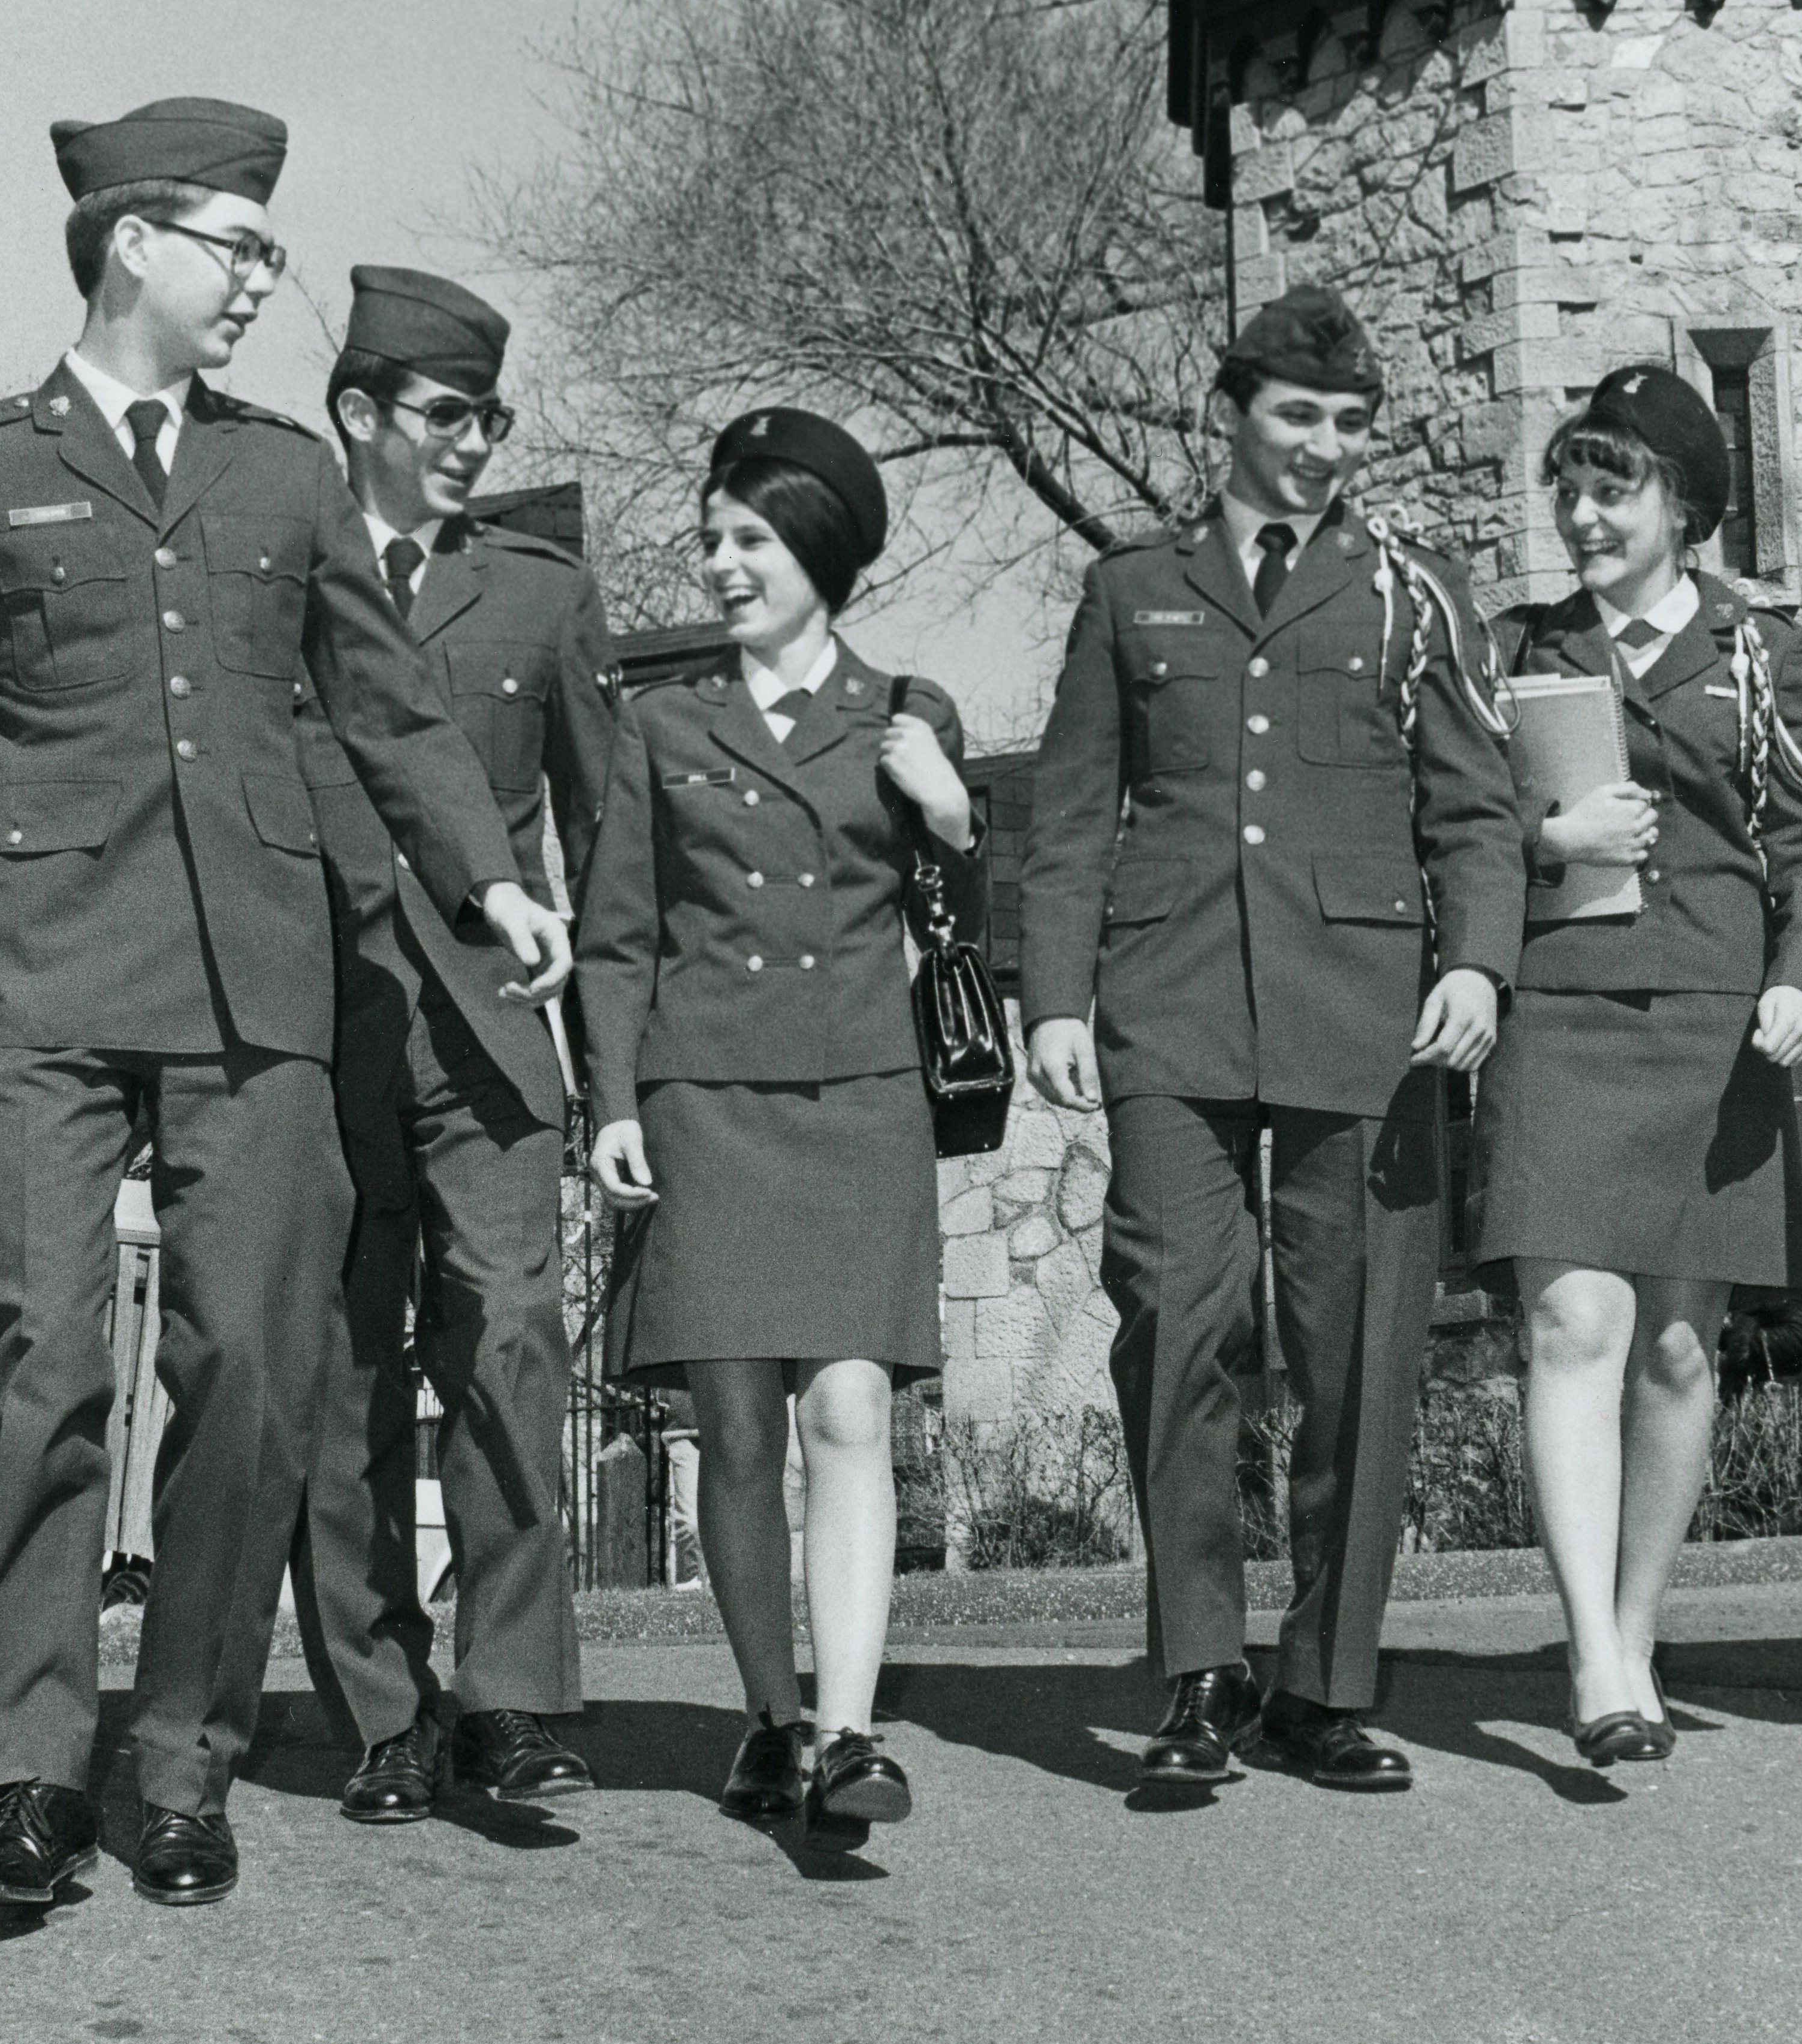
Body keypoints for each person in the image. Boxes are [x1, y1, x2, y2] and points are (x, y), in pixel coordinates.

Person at [0, 98, 570, 1914]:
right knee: (42, 1373)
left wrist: (490, 879)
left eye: (271, 247)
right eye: (237, 244)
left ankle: (181, 1762)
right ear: (130, 246)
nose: (267, 277)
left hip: (258, 982)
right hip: (36, 976)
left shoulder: (283, 481)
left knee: (252, 1377)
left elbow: (391, 711)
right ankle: (23, 1777)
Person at [1020, 287, 1525, 1798]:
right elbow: (1069, 815)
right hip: (1167, 1004)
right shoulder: (1132, 592)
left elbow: (1476, 810)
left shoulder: (1409, 592)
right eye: (1296, 417)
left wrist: (1482, 965)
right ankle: (1197, 1671)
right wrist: (1053, 997)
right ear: (1229, 412)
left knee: (1360, 1347)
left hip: (1364, 1016)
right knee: (1176, 1324)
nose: (1322, 449)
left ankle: (1327, 1682)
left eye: (1349, 425)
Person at [575, 408, 978, 1844]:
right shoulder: (660, 725)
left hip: (860, 1100)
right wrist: (612, 1105)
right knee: (736, 1431)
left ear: (818, 547)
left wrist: (954, 819)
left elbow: (966, 941)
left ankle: (856, 1730)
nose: (723, 564)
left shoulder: (910, 716)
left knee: (850, 1408)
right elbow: (618, 940)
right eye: (713, 539)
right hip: (705, 1100)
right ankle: (769, 1714)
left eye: (749, 539)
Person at [1472, 366, 1802, 1766]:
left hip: (1713, 1022)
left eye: (1611, 488)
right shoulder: (1512, 645)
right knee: (1573, 1325)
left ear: (1684, 505)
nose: (1581, 514)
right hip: (1560, 1016)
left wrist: (1799, 981)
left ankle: (1636, 1626)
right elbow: (1450, 831)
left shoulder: (1765, 655)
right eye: (1566, 487)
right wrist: (1543, 847)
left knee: (1682, 1349)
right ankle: (1592, 1659)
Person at [285, 266, 619, 1829]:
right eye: (446, 411)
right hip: (311, 1031)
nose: (477, 438)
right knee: (340, 1371)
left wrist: (615, 1073)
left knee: (509, 1343)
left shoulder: (542, 596)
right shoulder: (265, 576)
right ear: (359, 414)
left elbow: (611, 855)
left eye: (493, 412)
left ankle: (511, 1695)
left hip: (491, 1040)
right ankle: (381, 1708)